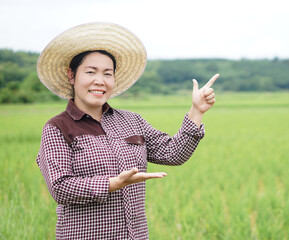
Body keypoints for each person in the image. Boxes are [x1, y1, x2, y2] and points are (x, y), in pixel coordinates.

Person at [36, 22, 219, 240]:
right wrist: (113, 184)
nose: (99, 81)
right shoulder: (58, 127)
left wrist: (196, 111)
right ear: (71, 75)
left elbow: (173, 154)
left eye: (107, 73)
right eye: (91, 72)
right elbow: (60, 187)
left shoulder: (132, 121)